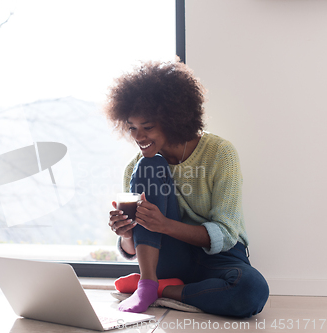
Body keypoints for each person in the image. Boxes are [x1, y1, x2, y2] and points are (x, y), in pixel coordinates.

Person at [104, 59, 269, 318]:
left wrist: (165, 225)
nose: (138, 137)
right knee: (149, 166)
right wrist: (125, 233)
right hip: (167, 257)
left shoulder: (220, 154)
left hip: (220, 257)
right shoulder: (137, 167)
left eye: (147, 127)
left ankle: (160, 290)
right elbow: (134, 246)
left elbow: (226, 234)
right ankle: (147, 283)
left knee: (251, 290)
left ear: (172, 119)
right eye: (132, 127)